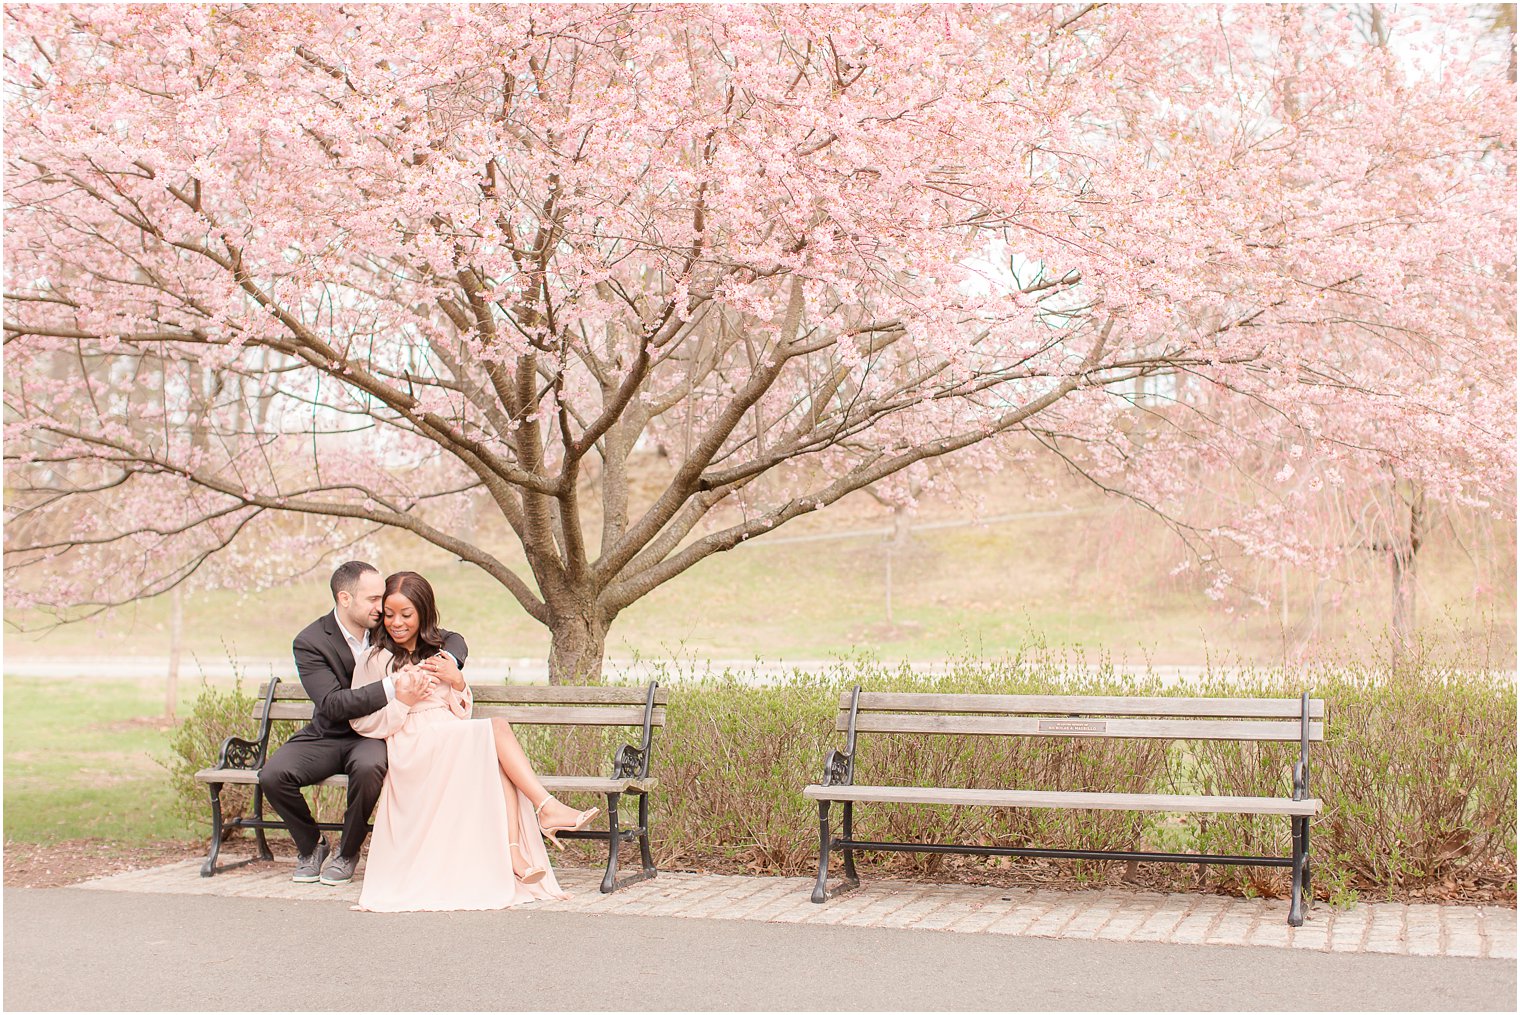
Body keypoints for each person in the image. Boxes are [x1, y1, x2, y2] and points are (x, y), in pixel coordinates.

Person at [349, 570, 598, 912]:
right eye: (390, 615)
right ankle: (544, 809)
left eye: (406, 615)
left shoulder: (439, 653)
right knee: (495, 729)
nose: (397, 623)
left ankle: (515, 853)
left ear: (423, 612)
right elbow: (362, 722)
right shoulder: (375, 659)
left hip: (449, 735)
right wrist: (403, 703)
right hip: (412, 744)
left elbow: (460, 713)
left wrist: (457, 682)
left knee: (495, 756)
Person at [258, 561, 469, 886]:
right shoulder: (311, 641)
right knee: (272, 776)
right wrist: (393, 686)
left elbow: (449, 637)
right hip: (329, 733)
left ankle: (348, 850)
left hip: (375, 733)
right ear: (345, 599)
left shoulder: (386, 625)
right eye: (373, 599)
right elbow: (332, 703)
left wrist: (450, 662)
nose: (381, 607)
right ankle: (311, 845)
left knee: (369, 769)